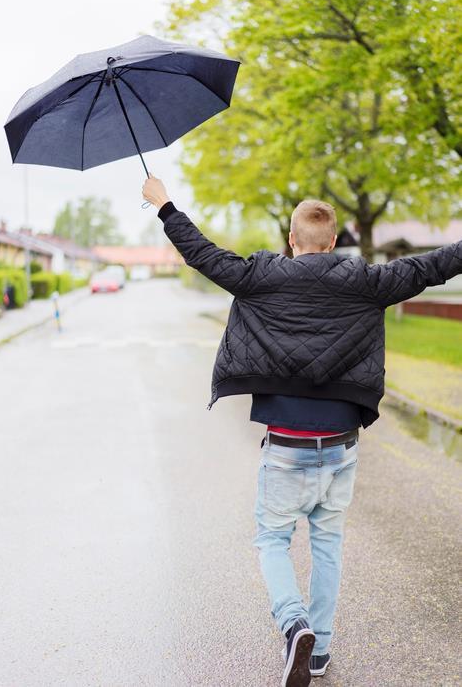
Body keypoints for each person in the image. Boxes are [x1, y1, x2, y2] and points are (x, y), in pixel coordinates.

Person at [142, 175, 462, 687]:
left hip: (286, 445)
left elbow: (201, 253)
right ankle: (319, 654)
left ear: (292, 240)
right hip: (340, 445)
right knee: (328, 543)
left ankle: (293, 623)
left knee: (272, 538)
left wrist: (165, 205)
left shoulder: (260, 276)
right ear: (334, 242)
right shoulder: (367, 282)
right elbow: (433, 265)